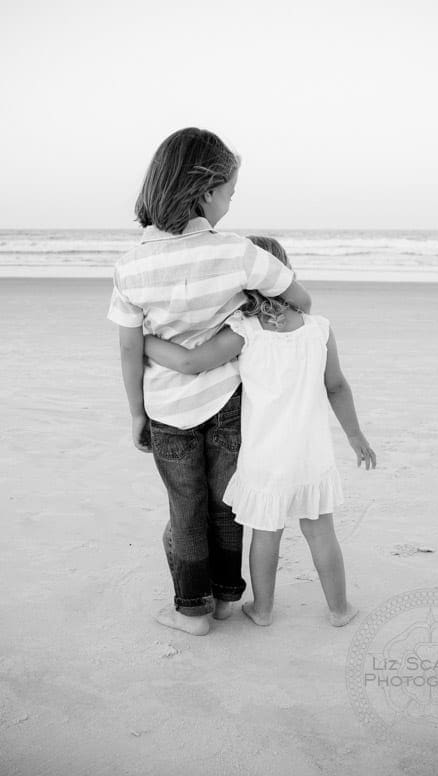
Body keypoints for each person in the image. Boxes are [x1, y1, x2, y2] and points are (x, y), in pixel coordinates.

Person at [107, 130, 311, 636]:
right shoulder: (237, 252)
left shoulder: (131, 265)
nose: (230, 204)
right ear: (207, 190)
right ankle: (224, 599)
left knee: (185, 508)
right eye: (230, 193)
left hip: (166, 408)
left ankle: (190, 610)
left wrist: (136, 412)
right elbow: (300, 300)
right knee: (226, 504)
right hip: (228, 401)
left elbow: (129, 347)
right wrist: (244, 315)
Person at [144, 236, 376, 628]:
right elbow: (336, 386)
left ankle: (262, 609)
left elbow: (191, 362)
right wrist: (355, 436)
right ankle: (339, 609)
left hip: (266, 456)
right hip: (311, 454)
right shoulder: (319, 329)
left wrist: (145, 342)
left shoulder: (244, 331)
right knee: (321, 532)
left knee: (265, 533)